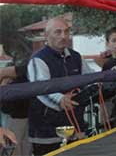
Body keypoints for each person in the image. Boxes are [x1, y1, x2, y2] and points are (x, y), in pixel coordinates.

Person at [27, 18, 94, 155]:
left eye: (66, 31)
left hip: (76, 129)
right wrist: (61, 100)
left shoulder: (76, 57)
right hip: (47, 133)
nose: (63, 36)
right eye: (58, 32)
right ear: (46, 36)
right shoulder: (38, 60)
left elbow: (90, 78)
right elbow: (40, 89)